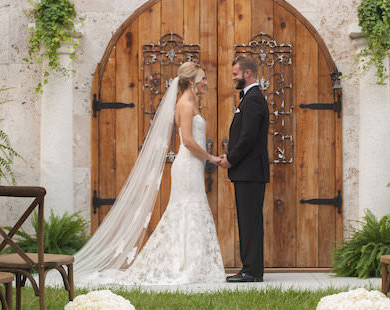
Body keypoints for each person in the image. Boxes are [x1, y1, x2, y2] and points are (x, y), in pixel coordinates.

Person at [74, 61, 225, 285]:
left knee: (191, 210)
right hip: (187, 165)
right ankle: (185, 265)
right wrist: (212, 157)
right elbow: (189, 142)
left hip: (193, 166)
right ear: (191, 82)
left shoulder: (190, 103)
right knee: (188, 208)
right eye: (202, 78)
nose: (206, 82)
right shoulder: (185, 104)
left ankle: (192, 262)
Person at [217, 56, 270, 283]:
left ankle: (252, 271)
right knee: (248, 221)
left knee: (250, 222)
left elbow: (248, 136)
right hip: (247, 172)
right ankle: (249, 268)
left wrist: (231, 158)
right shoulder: (249, 99)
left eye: (235, 74)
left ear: (248, 73)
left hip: (250, 172)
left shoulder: (254, 99)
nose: (233, 78)